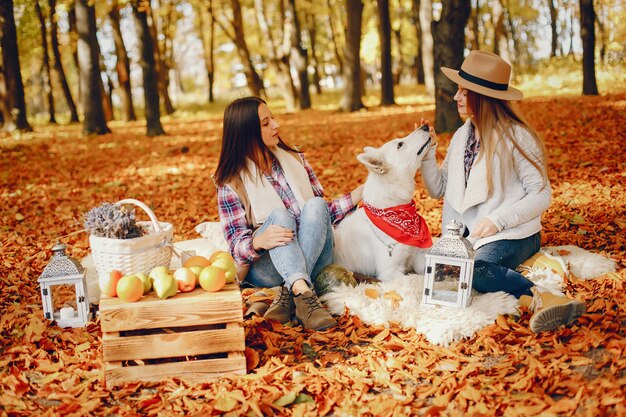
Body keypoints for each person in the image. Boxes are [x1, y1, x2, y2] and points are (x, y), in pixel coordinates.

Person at [419, 50, 585, 332]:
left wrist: (498, 220)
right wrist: (427, 154)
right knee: (442, 272)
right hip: (471, 238)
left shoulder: (517, 136)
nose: (456, 97)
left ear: (482, 96)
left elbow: (541, 194)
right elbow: (439, 189)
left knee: (476, 273)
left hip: (514, 233)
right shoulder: (462, 136)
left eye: (463, 91)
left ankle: (546, 298)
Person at [214, 97, 363, 331]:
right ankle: (301, 291)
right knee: (280, 216)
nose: (276, 125)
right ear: (246, 133)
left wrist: (362, 192)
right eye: (266, 123)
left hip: (314, 255)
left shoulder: (294, 158)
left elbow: (322, 215)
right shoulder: (230, 184)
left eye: (272, 118)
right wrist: (258, 241)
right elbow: (236, 246)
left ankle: (294, 288)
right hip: (268, 267)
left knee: (315, 204)